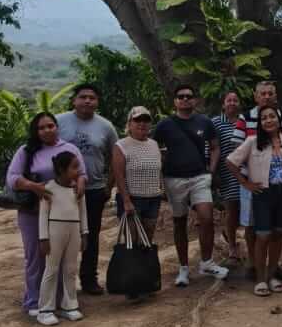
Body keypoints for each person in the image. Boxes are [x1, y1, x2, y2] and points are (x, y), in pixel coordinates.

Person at [5, 112, 85, 318]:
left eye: (50, 126)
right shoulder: (26, 151)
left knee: (63, 258)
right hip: (33, 211)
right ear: (35, 130)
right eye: (41, 127)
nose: (47, 130)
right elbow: (12, 177)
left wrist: (82, 183)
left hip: (64, 212)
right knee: (36, 257)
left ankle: (61, 300)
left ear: (57, 127)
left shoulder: (69, 148)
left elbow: (81, 172)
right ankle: (34, 300)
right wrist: (33, 186)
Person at [153, 84, 228, 286]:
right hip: (173, 179)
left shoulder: (204, 122)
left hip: (199, 177)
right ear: (175, 101)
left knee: (206, 217)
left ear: (195, 100)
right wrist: (160, 176)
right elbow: (153, 148)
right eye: (181, 96)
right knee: (179, 222)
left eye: (189, 96)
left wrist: (211, 171)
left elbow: (215, 147)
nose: (185, 99)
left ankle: (207, 262)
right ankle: (184, 268)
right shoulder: (164, 125)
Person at [226, 107, 282, 295]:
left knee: (278, 235)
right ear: (260, 123)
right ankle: (260, 279)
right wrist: (246, 183)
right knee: (262, 236)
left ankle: (272, 276)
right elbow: (231, 161)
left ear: (279, 120)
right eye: (264, 118)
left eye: (272, 117)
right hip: (263, 195)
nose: (269, 120)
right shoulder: (252, 142)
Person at [57, 84, 117, 294]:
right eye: (83, 97)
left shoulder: (106, 127)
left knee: (90, 237)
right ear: (74, 100)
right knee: (63, 236)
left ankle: (89, 279)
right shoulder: (59, 121)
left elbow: (116, 159)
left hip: (94, 190)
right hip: (62, 191)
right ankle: (62, 282)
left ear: (97, 102)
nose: (87, 101)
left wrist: (109, 186)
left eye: (92, 97)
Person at [240, 81, 282, 282]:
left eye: (271, 93)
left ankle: (273, 266)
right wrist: (246, 181)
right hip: (252, 182)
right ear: (255, 96)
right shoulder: (246, 118)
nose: (267, 96)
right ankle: (253, 265)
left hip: (279, 184)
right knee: (253, 227)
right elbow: (236, 152)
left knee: (276, 229)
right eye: (263, 93)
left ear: (275, 96)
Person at [36, 151, 89, 327]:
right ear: (61, 169)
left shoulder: (78, 189)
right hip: (54, 231)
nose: (78, 170)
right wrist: (43, 238)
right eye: (74, 167)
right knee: (51, 269)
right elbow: (43, 215)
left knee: (71, 268)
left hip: (74, 230)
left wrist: (85, 232)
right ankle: (45, 309)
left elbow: (83, 212)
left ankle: (70, 305)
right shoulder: (48, 188)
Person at [111, 107, 163, 241]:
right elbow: (119, 175)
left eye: (146, 120)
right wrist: (126, 201)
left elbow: (157, 170)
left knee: (147, 240)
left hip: (153, 199)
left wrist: (161, 191)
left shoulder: (154, 144)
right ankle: (132, 263)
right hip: (132, 199)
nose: (142, 123)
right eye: (137, 120)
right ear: (129, 124)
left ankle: (145, 263)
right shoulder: (121, 145)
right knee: (132, 240)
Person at [211, 89, 246, 263]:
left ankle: (229, 232)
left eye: (235, 100)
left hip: (246, 171)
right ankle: (232, 245)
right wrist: (213, 172)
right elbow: (210, 147)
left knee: (244, 209)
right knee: (231, 208)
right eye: (229, 100)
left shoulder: (244, 121)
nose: (232, 103)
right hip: (225, 172)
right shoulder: (216, 123)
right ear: (223, 104)